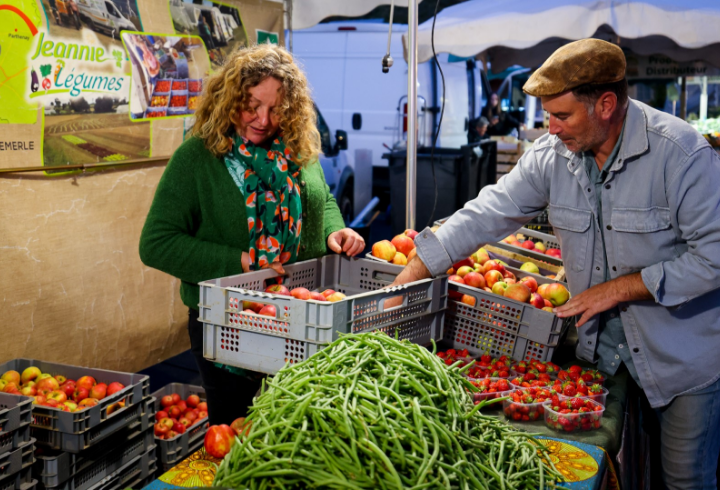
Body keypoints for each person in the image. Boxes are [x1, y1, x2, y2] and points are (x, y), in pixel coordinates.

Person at [391, 39, 720, 489]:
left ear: (606, 104)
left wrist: (619, 288)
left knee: (684, 482)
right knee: (626, 476)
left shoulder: (680, 155)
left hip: (682, 360)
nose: (551, 128)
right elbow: (487, 212)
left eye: (561, 115)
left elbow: (715, 257)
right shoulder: (553, 156)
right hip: (606, 362)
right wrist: (412, 272)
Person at [139, 44, 365, 425]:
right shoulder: (197, 158)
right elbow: (156, 243)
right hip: (228, 327)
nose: (263, 119)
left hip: (302, 320)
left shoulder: (296, 150)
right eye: (252, 105)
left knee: (300, 432)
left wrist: (335, 229)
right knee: (237, 433)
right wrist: (240, 263)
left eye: (276, 108)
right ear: (229, 101)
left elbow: (321, 198)